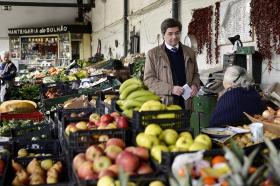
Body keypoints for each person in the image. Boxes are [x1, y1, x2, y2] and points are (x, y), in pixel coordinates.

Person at [143, 18, 200, 110]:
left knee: (186, 124)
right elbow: (149, 81)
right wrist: (171, 89)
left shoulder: (190, 52)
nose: (174, 36)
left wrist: (195, 84)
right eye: (170, 34)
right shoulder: (153, 54)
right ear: (163, 35)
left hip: (187, 103)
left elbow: (195, 74)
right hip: (165, 104)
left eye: (177, 33)